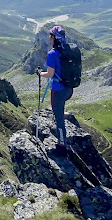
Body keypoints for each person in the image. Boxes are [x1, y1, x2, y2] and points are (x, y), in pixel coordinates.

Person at [37, 25, 73, 155]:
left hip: (58, 90)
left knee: (59, 117)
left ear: (54, 38)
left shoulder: (52, 54)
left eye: (50, 35)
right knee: (59, 112)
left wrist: (41, 73)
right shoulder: (67, 50)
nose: (48, 37)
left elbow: (50, 74)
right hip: (68, 89)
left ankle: (62, 146)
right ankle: (57, 129)